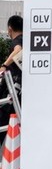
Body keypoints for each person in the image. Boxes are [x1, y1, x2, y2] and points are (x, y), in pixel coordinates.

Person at [0, 15, 23, 147]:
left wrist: (4, 65)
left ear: (10, 29)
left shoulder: (17, 41)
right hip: (19, 90)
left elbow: (17, 50)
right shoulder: (27, 41)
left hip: (11, 90)